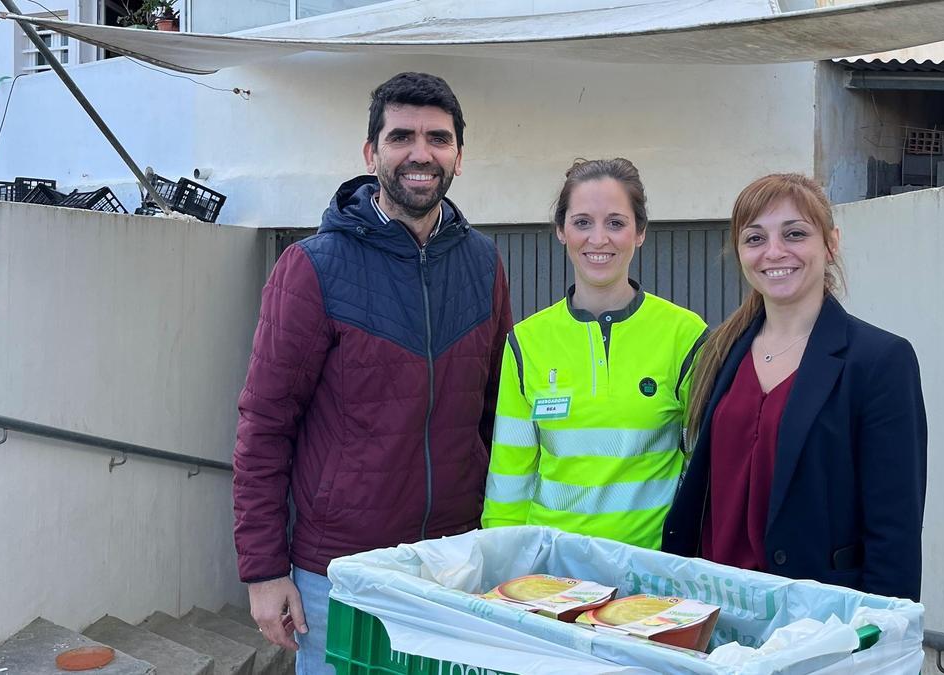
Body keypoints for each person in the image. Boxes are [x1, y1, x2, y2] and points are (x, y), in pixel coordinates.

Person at [232, 72, 512, 672]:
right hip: (340, 573)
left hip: (452, 565)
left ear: (458, 157)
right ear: (371, 153)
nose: (421, 153)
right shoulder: (311, 267)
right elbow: (264, 425)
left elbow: (495, 412)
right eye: (401, 136)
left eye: (438, 138)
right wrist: (263, 571)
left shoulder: (484, 264)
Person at [662, 173, 926, 601]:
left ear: (831, 243)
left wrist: (879, 640)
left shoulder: (879, 361)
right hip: (712, 610)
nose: (774, 252)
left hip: (817, 621)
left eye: (795, 233)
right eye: (755, 238)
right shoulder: (719, 351)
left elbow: (894, 530)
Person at [481, 158, 707, 549]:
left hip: (650, 581)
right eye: (582, 222)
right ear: (561, 231)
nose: (598, 238)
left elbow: (702, 472)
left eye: (616, 223)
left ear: (640, 233)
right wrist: (504, 573)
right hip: (550, 581)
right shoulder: (526, 341)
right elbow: (509, 483)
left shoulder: (685, 335)